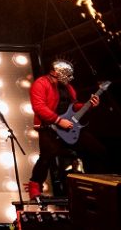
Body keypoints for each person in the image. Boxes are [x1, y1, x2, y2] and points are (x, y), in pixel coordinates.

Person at [26, 60, 106, 200]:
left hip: (68, 126)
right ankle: (35, 187)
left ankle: (97, 185)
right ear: (54, 72)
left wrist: (88, 105)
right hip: (49, 126)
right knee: (47, 157)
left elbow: (73, 106)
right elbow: (39, 107)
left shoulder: (68, 87)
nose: (70, 78)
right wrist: (58, 120)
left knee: (96, 149)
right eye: (67, 74)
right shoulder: (41, 83)